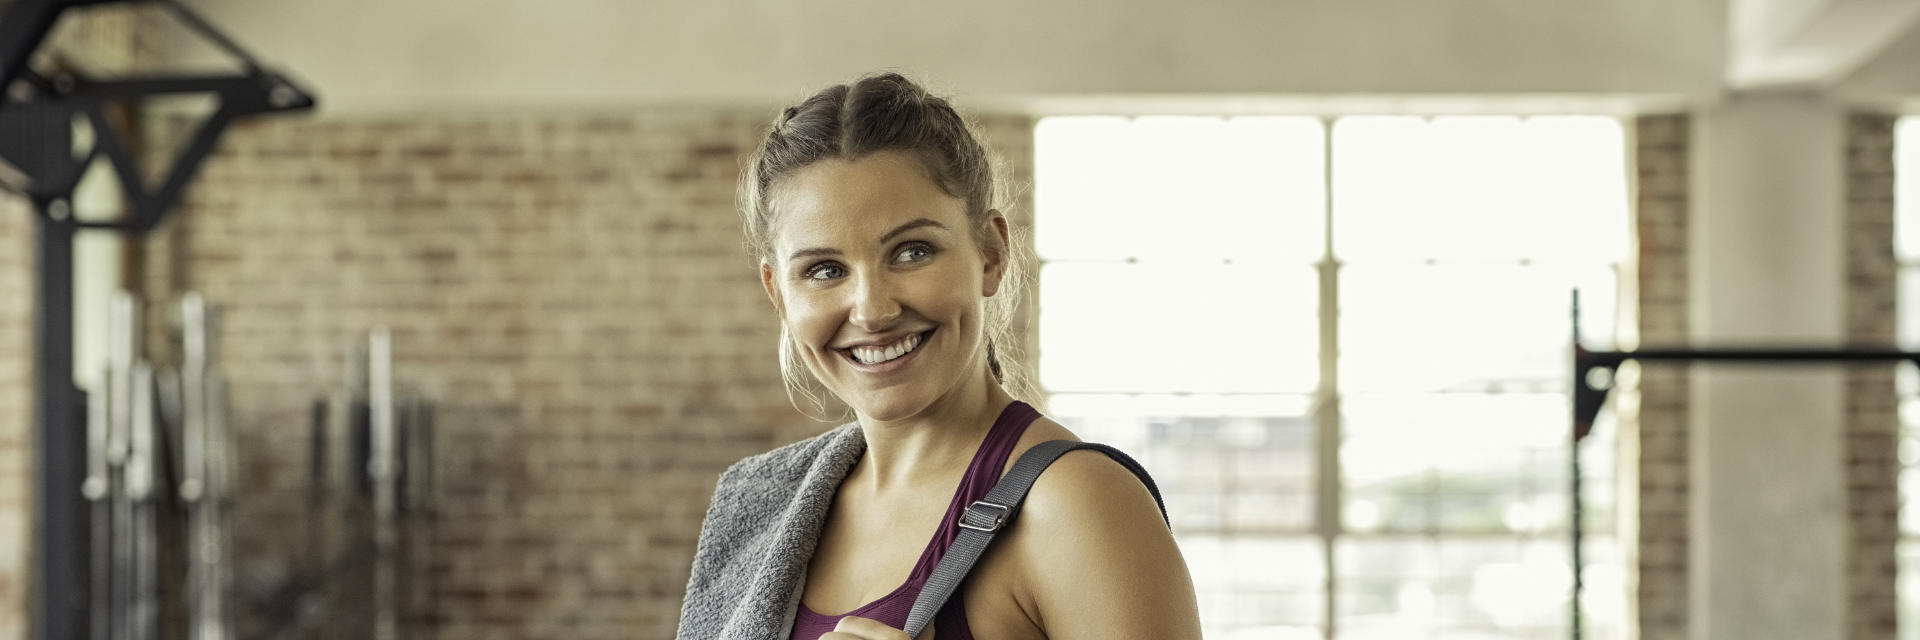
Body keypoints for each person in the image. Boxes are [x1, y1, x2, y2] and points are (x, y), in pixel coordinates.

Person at [675, 72, 1202, 640]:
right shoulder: (756, 504)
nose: (872, 310)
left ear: (991, 254)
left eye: (911, 251)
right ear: (778, 292)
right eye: (824, 270)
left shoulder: (1079, 506)